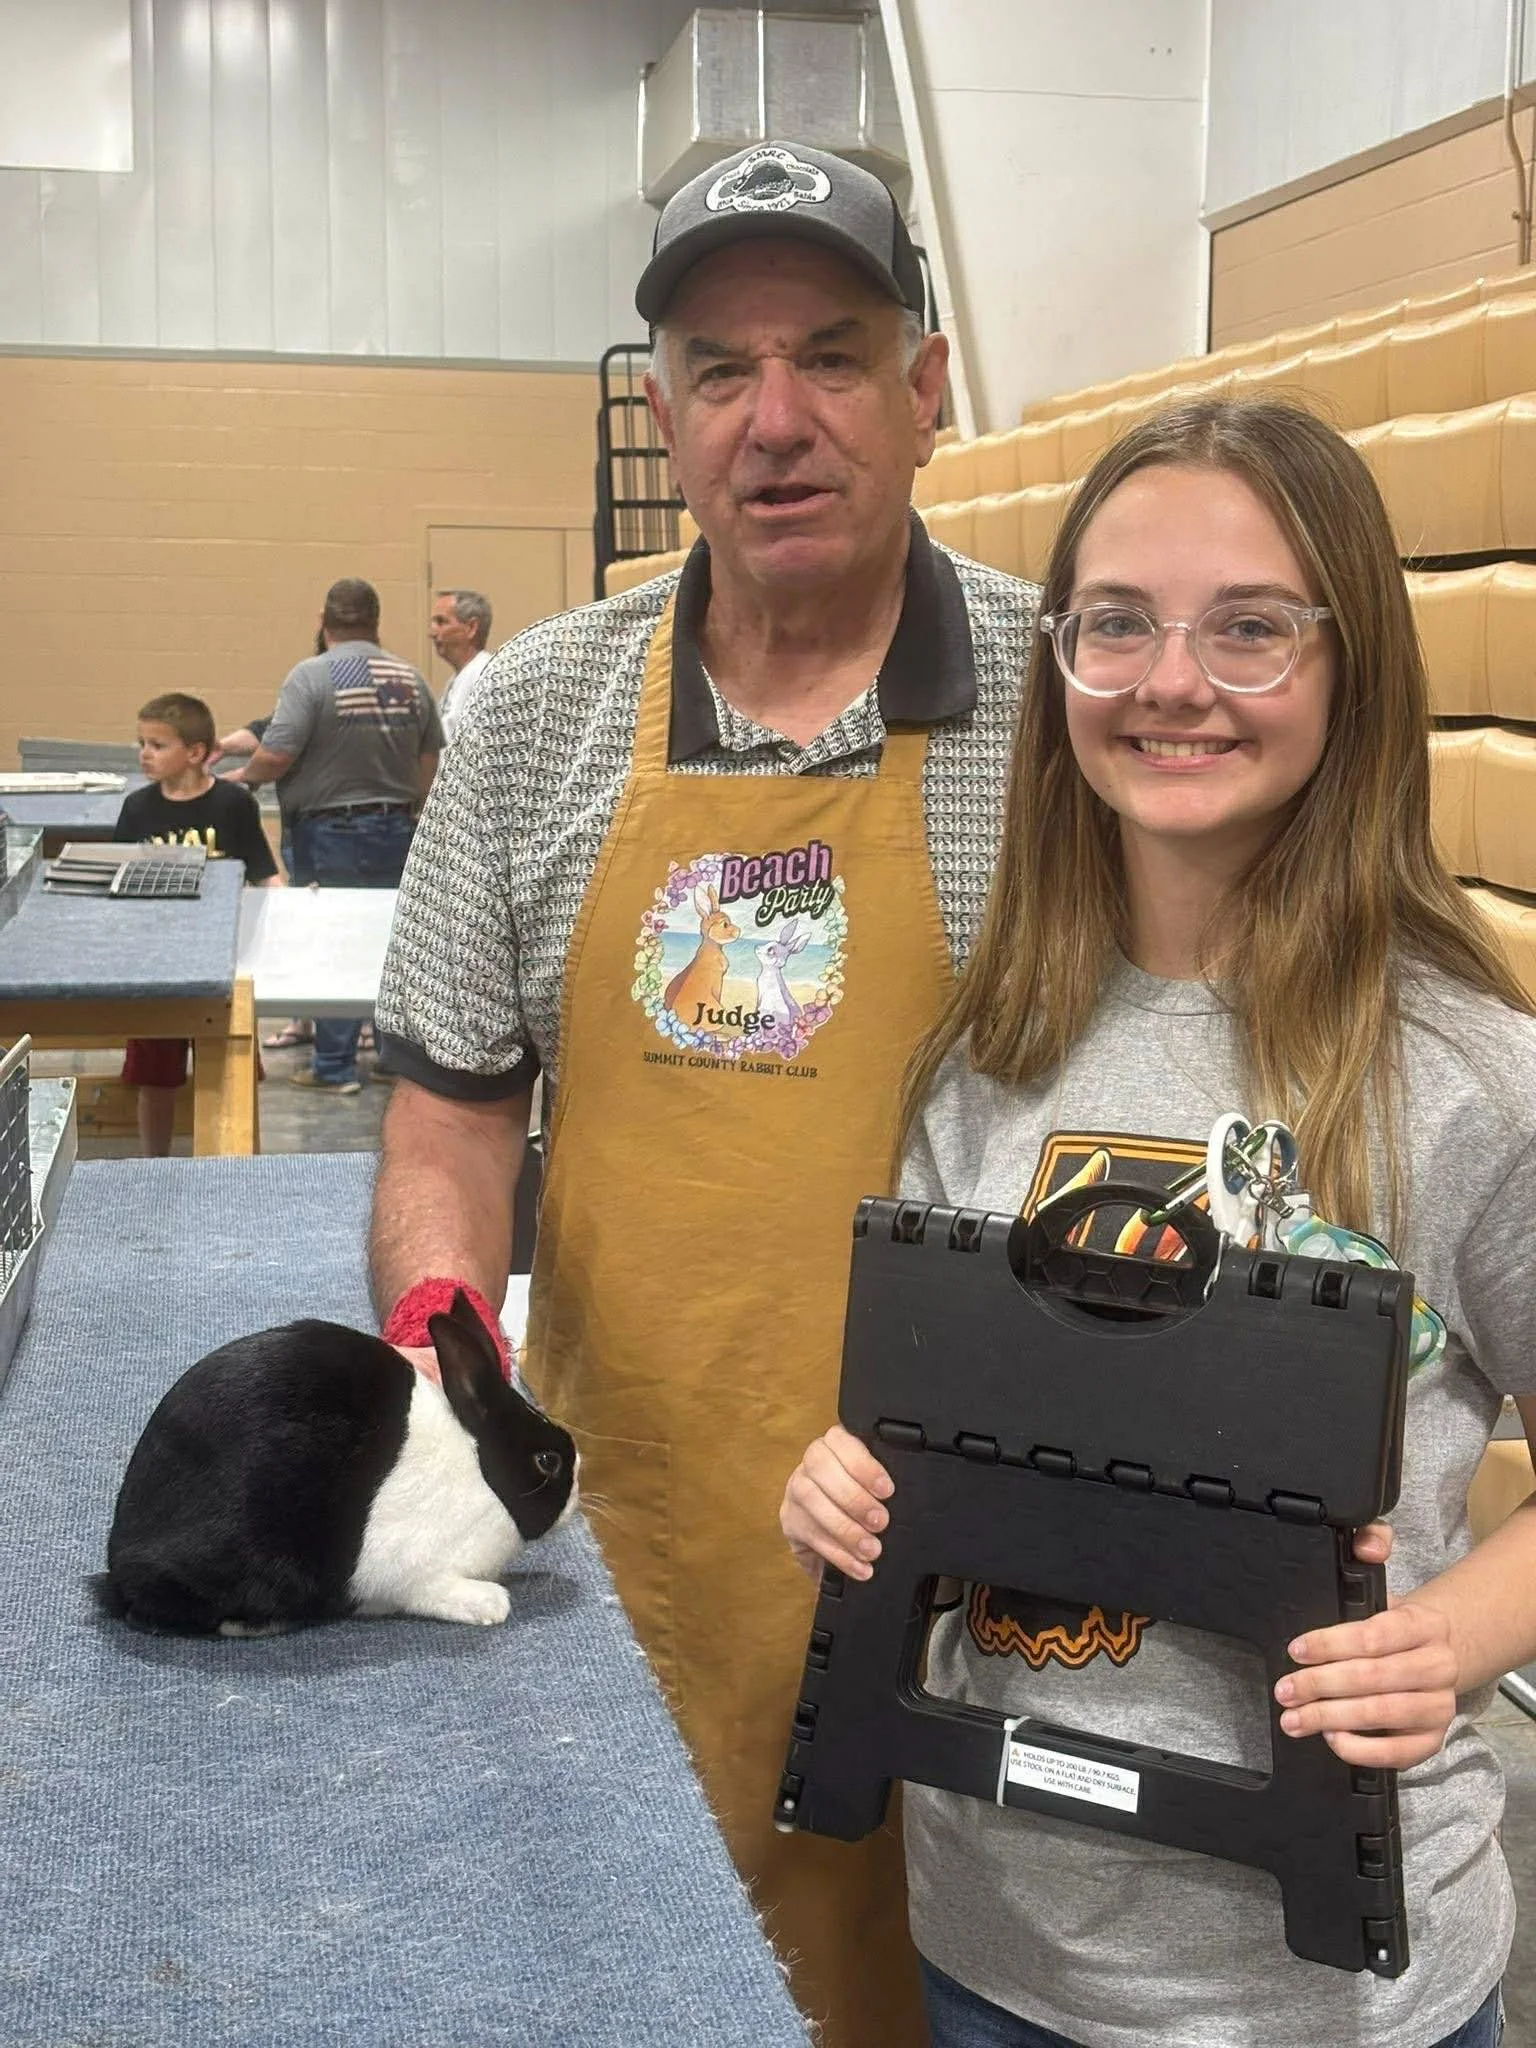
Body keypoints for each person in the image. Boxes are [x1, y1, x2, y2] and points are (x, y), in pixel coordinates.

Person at [368, 140, 1037, 2047]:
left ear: (926, 388)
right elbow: (448, 1111)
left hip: (972, 1583)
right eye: (721, 369)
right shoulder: (534, 716)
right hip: (619, 1545)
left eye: (831, 354)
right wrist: (441, 1346)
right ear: (661, 413)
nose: (776, 418)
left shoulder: (1063, 710)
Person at [781, 397, 1536, 2048]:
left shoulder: (1472, 1078)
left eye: (1249, 628)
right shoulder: (990, 1047)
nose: (1171, 680)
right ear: (1059, 662)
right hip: (997, 1948)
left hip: (1324, 1995)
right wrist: (844, 1483)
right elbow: (924, 1436)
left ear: (1350, 666)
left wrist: (1442, 1639)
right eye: (1116, 622)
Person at [229, 578, 442, 1094]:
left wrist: (241, 779)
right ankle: (393, 1058)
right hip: (399, 827)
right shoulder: (409, 678)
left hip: (330, 831)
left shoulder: (312, 676)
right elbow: (429, 759)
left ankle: (333, 1066)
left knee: (332, 943)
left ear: (323, 624)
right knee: (390, 943)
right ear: (376, 623)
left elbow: (278, 752)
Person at [115, 692, 278, 1154]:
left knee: (230, 1066)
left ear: (196, 752)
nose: (145, 754)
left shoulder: (233, 804)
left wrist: (288, 913)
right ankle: (155, 1163)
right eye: (142, 744)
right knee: (156, 1076)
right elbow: (119, 882)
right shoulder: (137, 808)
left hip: (222, 958)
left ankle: (237, 1163)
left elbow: (264, 873)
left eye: (157, 745)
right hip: (158, 961)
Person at [428, 588, 493, 745]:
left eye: (441, 622)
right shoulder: (461, 676)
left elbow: (453, 741)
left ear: (471, 628)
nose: (432, 633)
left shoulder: (481, 675)